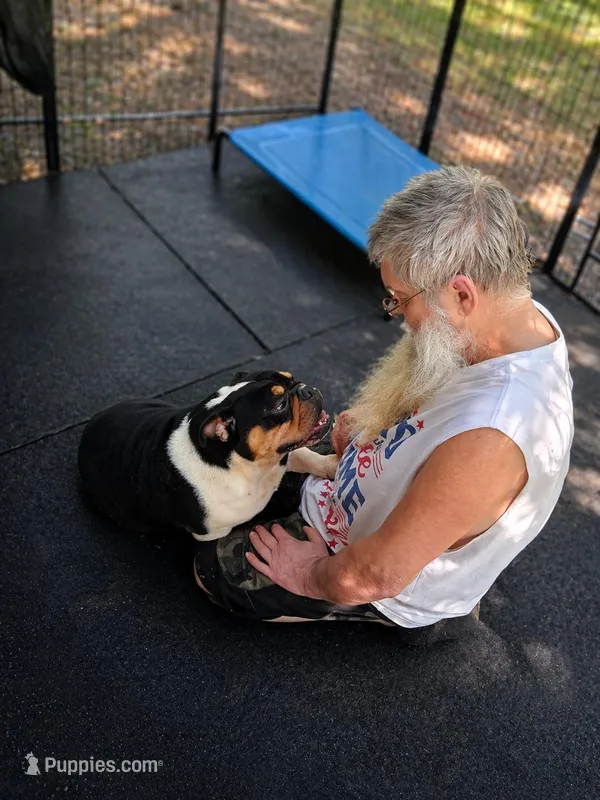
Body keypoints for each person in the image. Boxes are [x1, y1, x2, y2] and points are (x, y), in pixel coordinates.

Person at [193, 165, 574, 646]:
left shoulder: (493, 439)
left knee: (212, 571)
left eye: (400, 300)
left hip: (381, 570)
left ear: (461, 294)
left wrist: (313, 574)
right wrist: (374, 430)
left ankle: (423, 618)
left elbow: (379, 571)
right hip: (360, 495)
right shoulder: (513, 318)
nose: (396, 315)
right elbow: (436, 409)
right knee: (241, 481)